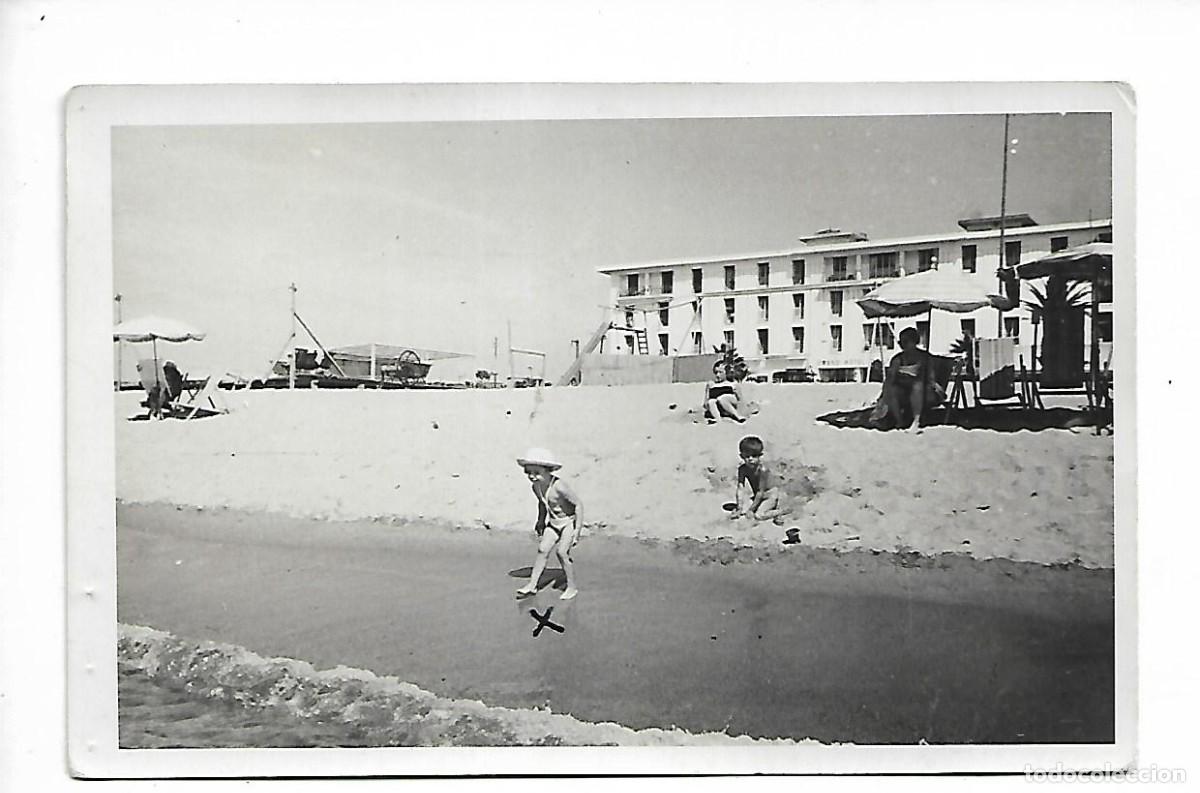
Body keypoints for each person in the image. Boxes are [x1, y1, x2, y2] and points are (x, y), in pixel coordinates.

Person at [515, 447, 584, 600]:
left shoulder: (559, 486)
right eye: (528, 472)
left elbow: (578, 504)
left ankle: (571, 587)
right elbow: (542, 503)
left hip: (568, 522)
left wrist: (577, 530)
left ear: (548, 471)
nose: (532, 476)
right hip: (553, 523)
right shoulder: (536, 487)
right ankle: (532, 585)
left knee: (562, 553)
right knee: (542, 550)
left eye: (537, 472)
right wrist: (540, 521)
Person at [877, 327, 945, 432]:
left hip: (925, 391)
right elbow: (890, 379)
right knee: (891, 389)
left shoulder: (924, 358)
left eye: (905, 342)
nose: (902, 345)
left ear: (914, 342)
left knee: (917, 386)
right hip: (905, 391)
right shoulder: (898, 359)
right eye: (900, 342)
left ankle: (916, 420)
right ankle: (900, 421)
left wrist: (908, 379)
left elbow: (929, 379)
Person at [731, 435, 785, 522]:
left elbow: (761, 491)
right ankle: (759, 507)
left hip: (769, 495)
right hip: (757, 496)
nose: (750, 459)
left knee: (759, 515)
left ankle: (779, 512)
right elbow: (740, 487)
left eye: (754, 456)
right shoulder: (742, 469)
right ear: (742, 456)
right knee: (743, 511)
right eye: (747, 456)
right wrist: (739, 507)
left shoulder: (762, 470)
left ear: (760, 456)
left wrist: (751, 510)